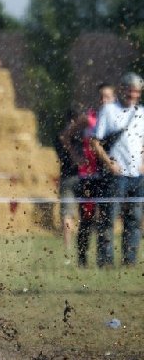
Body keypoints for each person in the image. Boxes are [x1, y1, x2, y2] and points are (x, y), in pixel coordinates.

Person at [91, 72, 144, 267]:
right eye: (130, 91)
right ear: (122, 90)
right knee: (108, 219)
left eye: (137, 92)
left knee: (134, 220)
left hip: (137, 176)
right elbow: (95, 142)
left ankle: (129, 261)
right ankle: (105, 262)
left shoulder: (142, 112)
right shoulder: (108, 110)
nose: (133, 96)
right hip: (116, 176)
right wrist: (109, 163)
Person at [73, 84, 116, 267]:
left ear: (114, 99)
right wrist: (77, 157)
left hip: (107, 175)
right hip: (88, 175)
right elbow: (66, 136)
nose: (103, 100)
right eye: (101, 97)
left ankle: (103, 259)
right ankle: (82, 258)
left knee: (105, 218)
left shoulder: (116, 119)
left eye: (107, 97)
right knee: (87, 217)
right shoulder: (89, 118)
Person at [54, 109, 82, 257]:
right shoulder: (81, 134)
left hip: (66, 177)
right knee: (85, 215)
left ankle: (68, 249)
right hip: (84, 177)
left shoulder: (59, 136)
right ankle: (81, 248)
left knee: (67, 215)